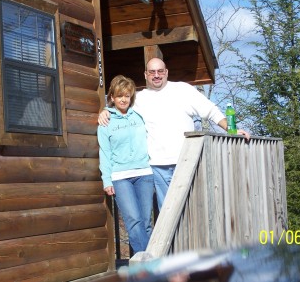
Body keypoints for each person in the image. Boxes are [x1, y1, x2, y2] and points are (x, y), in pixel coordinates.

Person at [99, 58, 250, 210]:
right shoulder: (139, 99)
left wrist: (232, 129)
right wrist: (105, 112)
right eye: (152, 72)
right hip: (157, 167)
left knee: (193, 207)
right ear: (145, 75)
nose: (156, 75)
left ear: (166, 72)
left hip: (186, 161)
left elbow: (210, 111)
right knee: (168, 211)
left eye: (160, 71)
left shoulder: (183, 90)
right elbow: (120, 106)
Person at [97, 75, 154, 254]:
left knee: (145, 222)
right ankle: (148, 264)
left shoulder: (140, 115)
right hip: (120, 177)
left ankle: (145, 266)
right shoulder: (106, 121)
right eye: (119, 95)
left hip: (144, 174)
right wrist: (107, 180)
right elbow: (104, 152)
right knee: (134, 221)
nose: (123, 99)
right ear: (112, 97)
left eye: (127, 96)